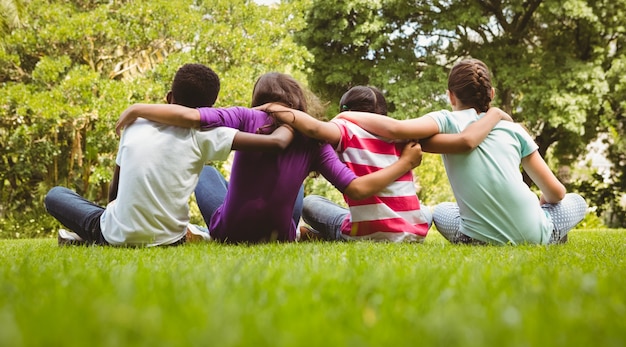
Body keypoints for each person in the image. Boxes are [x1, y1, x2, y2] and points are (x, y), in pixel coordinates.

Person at [115, 72, 425, 244]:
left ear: (259, 99)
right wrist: (404, 164)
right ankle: (299, 230)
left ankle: (206, 226)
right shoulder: (313, 142)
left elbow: (189, 116)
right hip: (281, 235)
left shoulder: (245, 117)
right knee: (298, 186)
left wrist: (138, 108)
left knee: (208, 172)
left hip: (230, 233)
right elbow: (355, 189)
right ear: (298, 102)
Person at [338, 58, 588, 245]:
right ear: (491, 94)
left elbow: (397, 129)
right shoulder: (515, 130)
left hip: (475, 239)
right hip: (537, 236)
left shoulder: (447, 121)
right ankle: (552, 234)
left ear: (450, 96)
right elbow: (556, 192)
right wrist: (542, 203)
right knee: (576, 201)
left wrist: (346, 114)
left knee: (443, 211)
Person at [44, 63, 294, 247]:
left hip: (114, 232)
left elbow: (116, 190)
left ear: (168, 98)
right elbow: (272, 143)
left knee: (55, 195)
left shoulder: (135, 124)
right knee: (207, 172)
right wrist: (278, 112)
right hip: (170, 239)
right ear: (209, 109)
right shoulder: (207, 134)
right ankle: (93, 236)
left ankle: (90, 238)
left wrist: (116, 218)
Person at [259, 86, 509, 242]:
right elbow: (463, 141)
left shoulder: (343, 129)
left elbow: (313, 128)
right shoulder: (405, 133)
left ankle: (326, 233)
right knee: (427, 211)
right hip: (413, 232)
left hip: (370, 232)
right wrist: (496, 116)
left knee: (312, 204)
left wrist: (273, 107)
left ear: (349, 110)